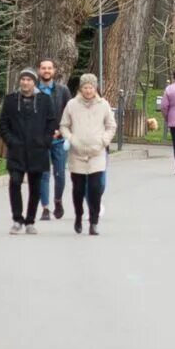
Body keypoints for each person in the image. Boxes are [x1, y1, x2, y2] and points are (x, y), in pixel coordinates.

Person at [0, 69, 56, 233]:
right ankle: (17, 218)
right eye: (23, 79)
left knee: (35, 186)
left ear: (34, 82)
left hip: (37, 150)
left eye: (29, 80)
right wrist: (10, 141)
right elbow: (3, 124)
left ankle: (30, 220)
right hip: (17, 150)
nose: (25, 82)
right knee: (15, 182)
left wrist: (45, 141)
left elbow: (51, 122)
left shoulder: (44, 100)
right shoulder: (11, 100)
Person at [61, 73, 117, 235]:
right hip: (77, 152)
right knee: (78, 189)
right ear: (81, 88)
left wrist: (104, 140)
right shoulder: (72, 105)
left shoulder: (103, 105)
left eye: (91, 87)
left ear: (95, 88)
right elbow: (64, 125)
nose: (88, 90)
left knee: (95, 188)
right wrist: (71, 138)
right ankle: (79, 216)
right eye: (85, 87)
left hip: (96, 152)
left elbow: (111, 126)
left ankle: (94, 222)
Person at [36, 59, 74, 220]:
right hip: (40, 141)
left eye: (49, 68)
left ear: (54, 70)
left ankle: (58, 200)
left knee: (60, 174)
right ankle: (45, 208)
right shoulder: (34, 90)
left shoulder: (62, 90)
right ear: (39, 70)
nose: (46, 70)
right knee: (43, 174)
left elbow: (70, 113)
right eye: (43, 68)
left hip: (59, 140)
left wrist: (62, 130)